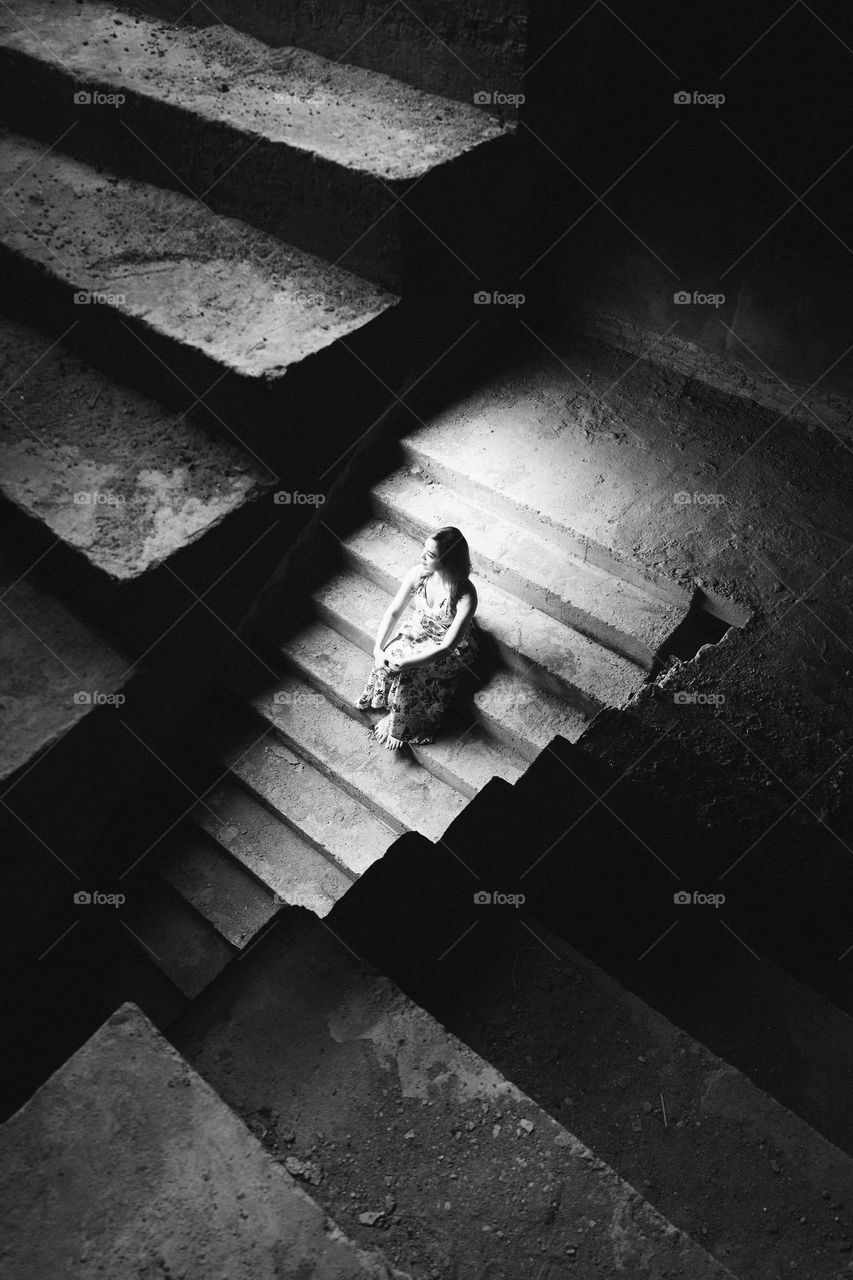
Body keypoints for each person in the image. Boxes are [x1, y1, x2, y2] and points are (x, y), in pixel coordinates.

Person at [356, 526, 479, 750]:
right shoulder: (418, 573)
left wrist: (407, 663)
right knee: (391, 653)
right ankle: (393, 707)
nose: (421, 556)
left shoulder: (465, 594)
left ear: (448, 560)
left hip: (451, 646)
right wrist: (378, 649)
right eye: (424, 549)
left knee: (409, 671)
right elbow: (394, 612)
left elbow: (447, 647)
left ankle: (399, 723)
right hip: (420, 628)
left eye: (430, 555)